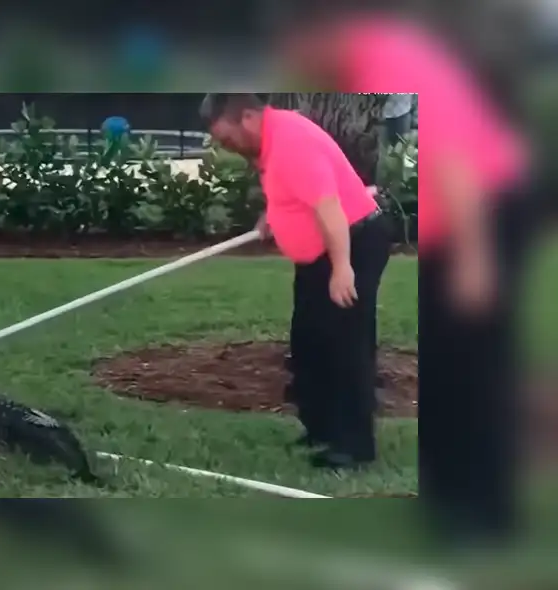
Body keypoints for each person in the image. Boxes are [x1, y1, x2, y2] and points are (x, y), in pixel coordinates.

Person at [274, 9, 536, 547]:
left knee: (470, 361)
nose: (297, 66)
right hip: (465, 215)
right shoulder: (367, 61)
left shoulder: (392, 59)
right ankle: (453, 493)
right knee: (450, 357)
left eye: (295, 50)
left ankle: (485, 513)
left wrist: (475, 258)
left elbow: (453, 160)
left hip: (486, 209)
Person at [200, 93, 391, 470]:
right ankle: (320, 427)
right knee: (309, 341)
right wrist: (274, 214)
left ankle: (354, 446)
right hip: (317, 256)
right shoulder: (272, 138)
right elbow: (292, 189)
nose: (228, 147)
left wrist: (342, 269)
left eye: (227, 139)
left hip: (350, 244)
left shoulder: (291, 143)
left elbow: (329, 207)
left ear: (249, 117)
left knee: (345, 344)